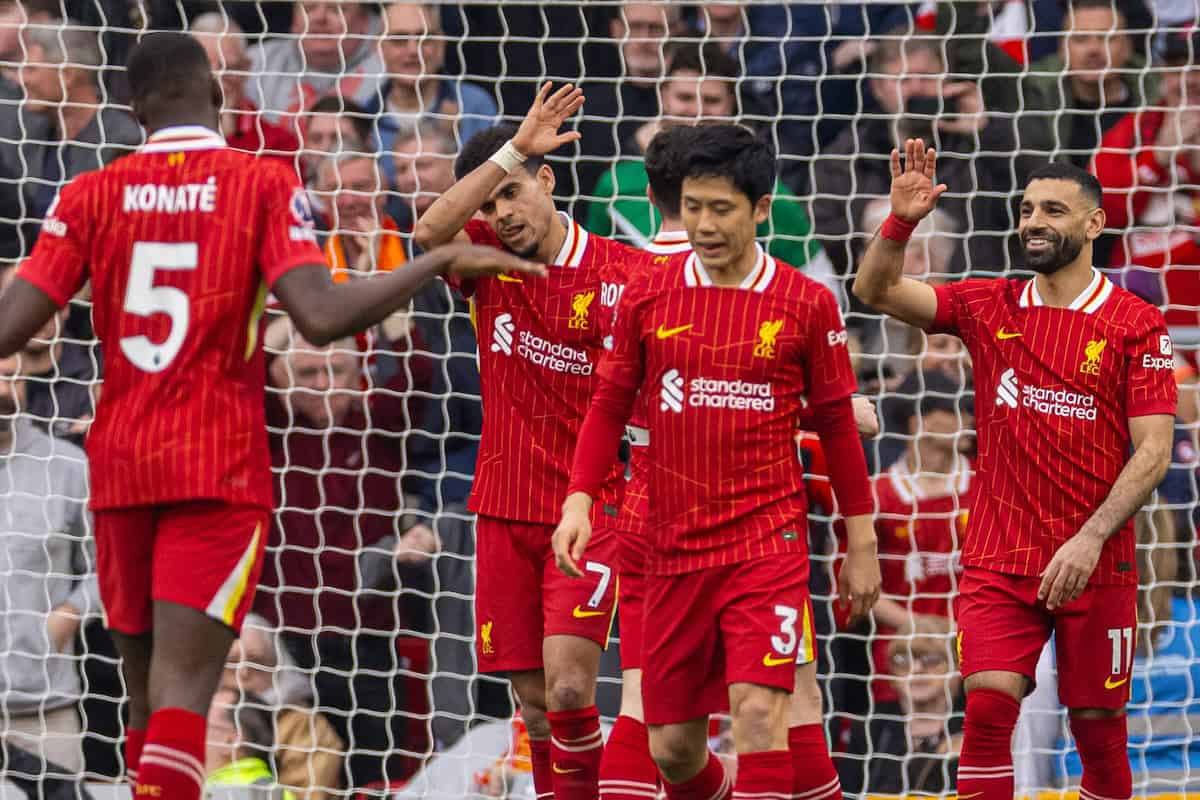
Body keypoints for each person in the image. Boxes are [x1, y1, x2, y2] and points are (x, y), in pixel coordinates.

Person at [0, 30, 541, 800]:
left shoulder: (89, 192)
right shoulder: (257, 184)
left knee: (145, 702)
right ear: (218, 99)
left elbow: (8, 330)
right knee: (189, 698)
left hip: (118, 466)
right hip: (213, 470)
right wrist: (440, 260)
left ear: (131, 107)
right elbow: (320, 317)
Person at [555, 123, 880, 799]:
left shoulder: (806, 302)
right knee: (672, 749)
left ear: (762, 209)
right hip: (669, 547)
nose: (703, 223)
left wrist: (862, 536)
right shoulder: (649, 291)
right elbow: (610, 404)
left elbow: (840, 432)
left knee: (761, 714)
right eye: (693, 205)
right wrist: (580, 497)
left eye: (721, 208)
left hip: (767, 542)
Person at [852, 143, 1177, 800]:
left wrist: (1089, 538)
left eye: (1053, 210)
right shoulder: (988, 303)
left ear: (1094, 224)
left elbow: (1154, 452)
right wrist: (901, 222)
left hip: (1095, 559)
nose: (1033, 221)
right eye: (1027, 208)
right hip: (1000, 556)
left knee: (1099, 737)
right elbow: (874, 289)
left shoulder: (1134, 325)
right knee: (988, 711)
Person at [413, 84, 640, 800]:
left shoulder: (625, 275)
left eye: (512, 193)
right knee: (536, 710)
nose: (500, 215)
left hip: (591, 506)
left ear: (548, 179)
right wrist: (510, 148)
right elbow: (426, 233)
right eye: (488, 205)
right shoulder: (482, 258)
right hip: (503, 504)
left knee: (573, 689)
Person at [0, 353, 97, 778]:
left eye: (10, 378)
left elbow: (108, 567)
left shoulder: (67, 465)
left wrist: (70, 614)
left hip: (46, 713)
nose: (3, 391)